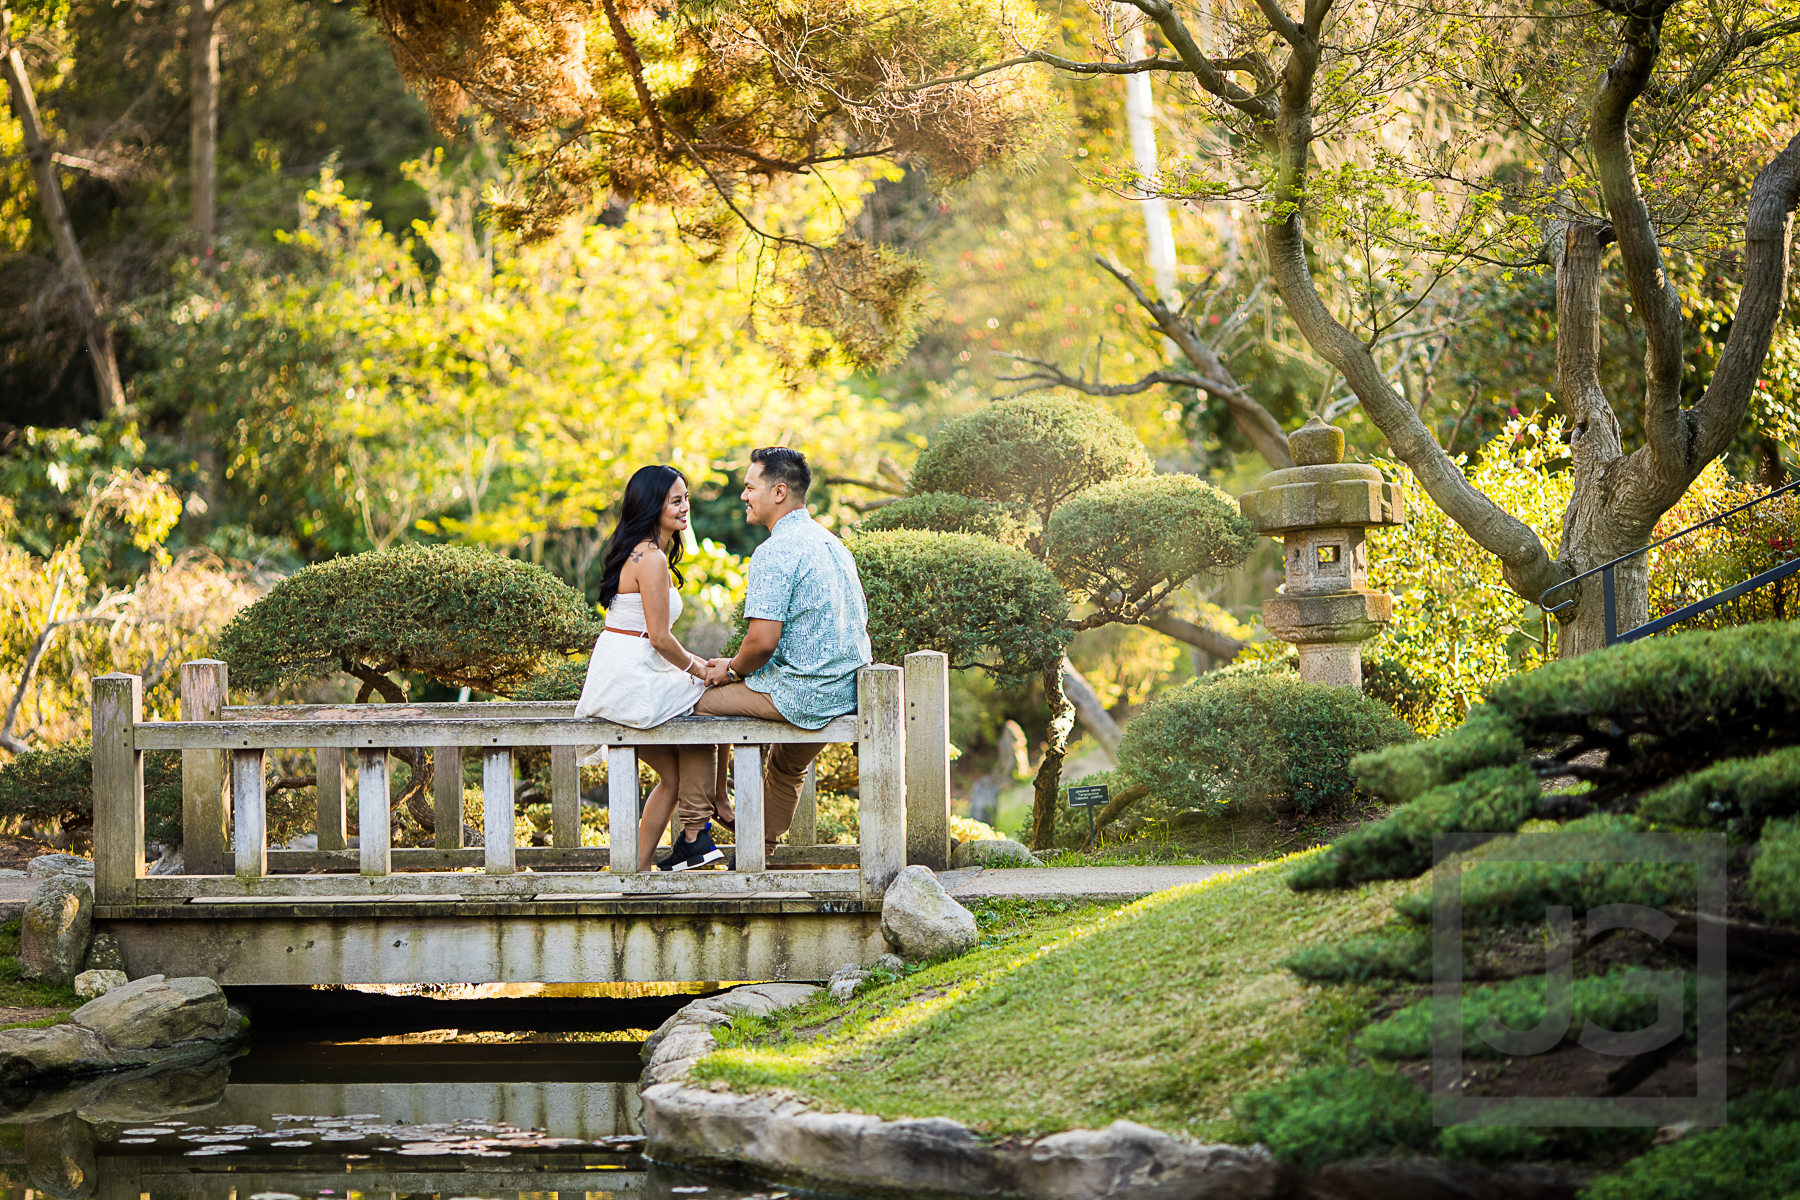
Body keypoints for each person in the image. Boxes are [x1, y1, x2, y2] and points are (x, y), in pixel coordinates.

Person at [660, 446, 873, 872]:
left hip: (802, 694)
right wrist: (736, 666)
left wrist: (732, 669)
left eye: (749, 487)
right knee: (785, 767)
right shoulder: (831, 542)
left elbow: (761, 643)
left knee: (688, 704)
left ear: (778, 492)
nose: (743, 496)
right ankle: (761, 860)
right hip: (845, 689)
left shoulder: (776, 551)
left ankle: (695, 835)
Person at [574, 465, 731, 871]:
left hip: (627, 667)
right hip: (632, 675)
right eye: (675, 500)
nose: (685, 507)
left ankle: (640, 868)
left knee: (674, 778)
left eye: (686, 499)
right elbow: (660, 638)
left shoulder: (641, 551)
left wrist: (695, 667)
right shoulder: (651, 558)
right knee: (717, 695)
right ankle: (716, 807)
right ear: (651, 505)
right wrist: (700, 668)